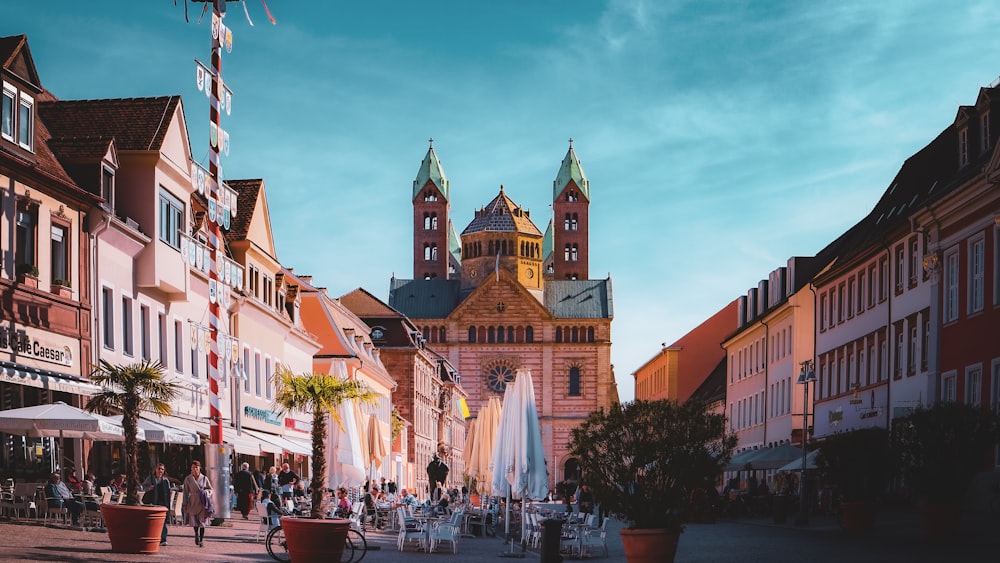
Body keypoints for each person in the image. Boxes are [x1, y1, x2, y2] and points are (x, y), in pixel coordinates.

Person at [182, 460, 213, 547]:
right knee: (194, 521)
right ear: (191, 469)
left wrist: (207, 492)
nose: (195, 469)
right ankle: (196, 534)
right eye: (193, 467)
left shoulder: (204, 478)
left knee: (202, 522)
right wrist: (185, 503)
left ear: (199, 468)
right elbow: (185, 492)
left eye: (196, 467)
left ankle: (201, 540)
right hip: (193, 501)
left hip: (203, 502)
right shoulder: (188, 479)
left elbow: (210, 489)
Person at [142, 463, 173, 545]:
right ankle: (154, 537)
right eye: (159, 468)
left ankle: (163, 538)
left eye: (162, 469)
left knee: (163, 521)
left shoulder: (165, 480)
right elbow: (143, 487)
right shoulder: (151, 478)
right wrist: (149, 488)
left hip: (162, 503)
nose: (161, 471)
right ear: (155, 469)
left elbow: (168, 491)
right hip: (153, 502)